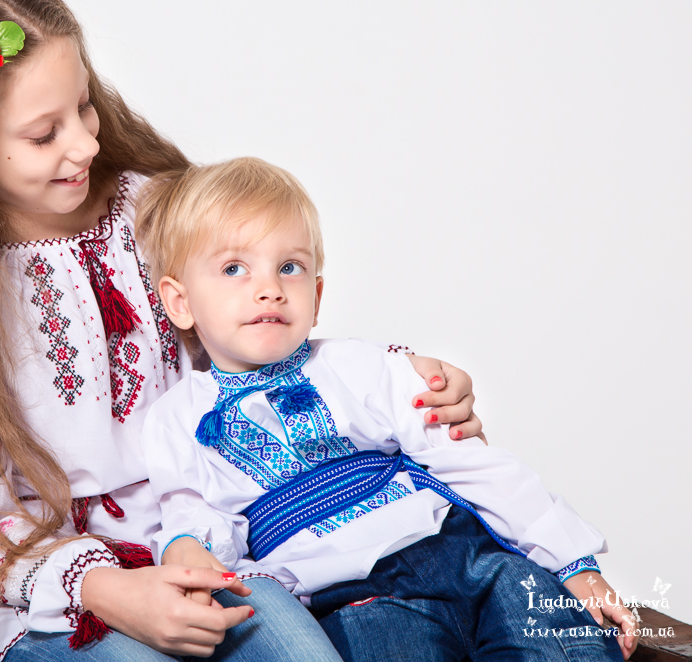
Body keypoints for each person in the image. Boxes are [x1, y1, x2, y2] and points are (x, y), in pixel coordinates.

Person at [0, 2, 484, 660]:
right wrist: (104, 587)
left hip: (214, 540)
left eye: (85, 107)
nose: (86, 144)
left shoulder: (156, 210)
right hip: (60, 597)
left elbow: (261, 341)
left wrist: (404, 381)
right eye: (43, 135)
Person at [135, 157, 640, 662]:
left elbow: (468, 462)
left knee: (568, 644)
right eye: (233, 269)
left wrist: (572, 562)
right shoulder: (176, 418)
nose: (270, 288)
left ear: (316, 295)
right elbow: (192, 510)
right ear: (180, 303)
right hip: (349, 596)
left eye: (290, 267)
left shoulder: (360, 364)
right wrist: (188, 546)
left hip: (463, 552)